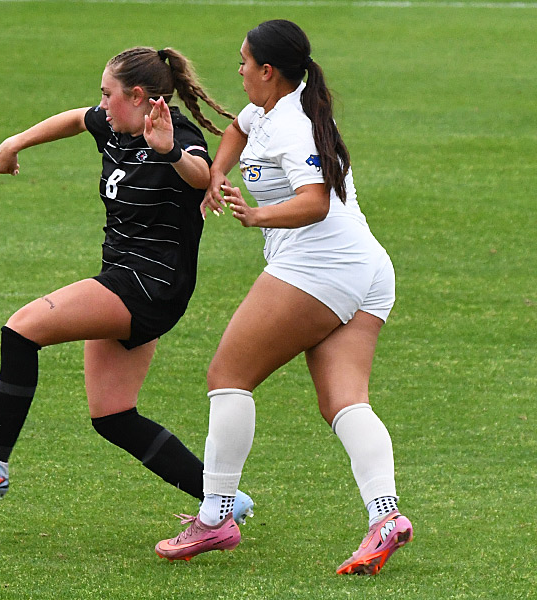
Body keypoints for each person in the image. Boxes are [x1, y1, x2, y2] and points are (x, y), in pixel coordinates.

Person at [154, 20, 413, 575]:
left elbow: (315, 201)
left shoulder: (294, 125)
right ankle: (386, 515)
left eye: (244, 61)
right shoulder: (275, 107)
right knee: (344, 400)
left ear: (267, 70)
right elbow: (238, 132)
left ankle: (217, 515)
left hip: (322, 264)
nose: (239, 69)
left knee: (227, 375)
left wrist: (256, 216)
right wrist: (215, 176)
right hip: (366, 265)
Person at [0, 46, 253, 522]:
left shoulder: (174, 133)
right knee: (113, 416)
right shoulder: (114, 126)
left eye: (107, 94)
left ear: (137, 96)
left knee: (21, 329)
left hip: (148, 283)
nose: (101, 104)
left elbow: (201, 176)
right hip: (126, 278)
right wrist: (14, 143)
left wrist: (169, 150)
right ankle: (221, 498)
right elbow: (75, 119)